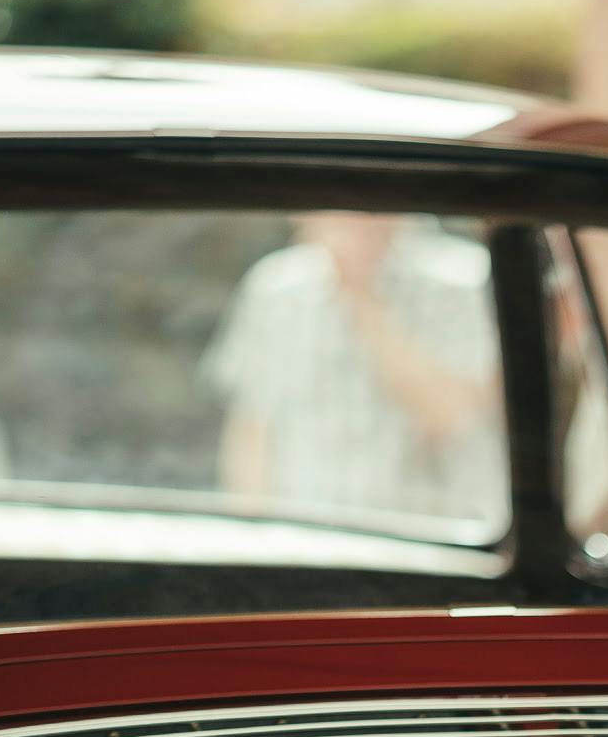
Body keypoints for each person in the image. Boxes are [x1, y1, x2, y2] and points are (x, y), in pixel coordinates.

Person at [205, 211, 505, 528]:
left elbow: (449, 417)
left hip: (431, 537)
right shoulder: (276, 286)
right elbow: (251, 427)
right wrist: (252, 530)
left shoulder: (466, 279)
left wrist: (359, 293)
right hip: (308, 536)